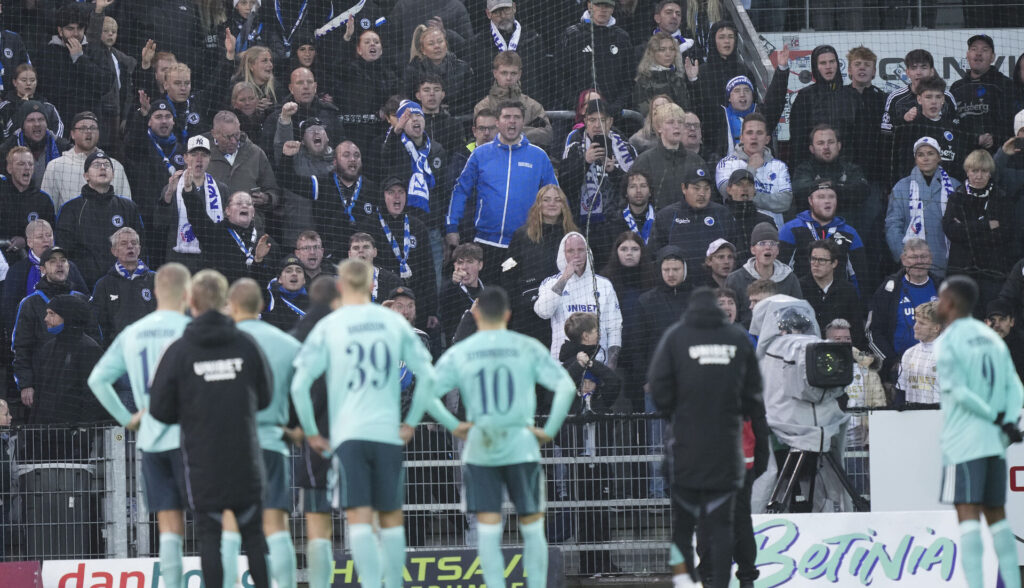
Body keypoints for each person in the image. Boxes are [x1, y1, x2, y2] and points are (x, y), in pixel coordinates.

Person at [410, 285, 575, 587]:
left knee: (487, 527)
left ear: (475, 313)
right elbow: (565, 387)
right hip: (521, 444)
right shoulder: (526, 346)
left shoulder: (462, 351)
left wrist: (453, 424)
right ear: (508, 314)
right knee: (531, 524)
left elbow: (427, 391)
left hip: (480, 446)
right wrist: (549, 430)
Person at [291, 259, 438, 588]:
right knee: (390, 519)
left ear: (341, 286)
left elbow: (299, 385)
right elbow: (428, 377)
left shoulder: (331, 325)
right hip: (387, 432)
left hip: (349, 435)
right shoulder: (393, 323)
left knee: (358, 518)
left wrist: (312, 433)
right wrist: (411, 422)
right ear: (373, 287)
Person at [148, 269, 271, 588]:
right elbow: (266, 396)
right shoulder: (246, 343)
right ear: (224, 301)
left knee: (209, 539)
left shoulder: (179, 351)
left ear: (191, 301)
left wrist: (192, 415)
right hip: (244, 455)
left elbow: (159, 409)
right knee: (255, 537)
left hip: (202, 460)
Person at [649, 287, 768, 588]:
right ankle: (746, 579)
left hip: (694, 446)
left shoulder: (677, 337)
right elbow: (756, 397)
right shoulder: (739, 339)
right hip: (736, 447)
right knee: (740, 517)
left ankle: (712, 579)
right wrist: (762, 449)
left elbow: (659, 392)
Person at [87, 263, 191, 588]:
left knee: (168, 522)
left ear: (156, 291)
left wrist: (127, 418)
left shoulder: (133, 332)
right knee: (210, 517)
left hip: (152, 438)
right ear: (187, 293)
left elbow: (98, 380)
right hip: (192, 438)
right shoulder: (193, 329)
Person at [934, 275, 1023, 588]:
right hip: (995, 444)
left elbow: (958, 391)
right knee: (998, 519)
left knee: (968, 518)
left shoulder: (948, 340)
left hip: (966, 440)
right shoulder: (993, 340)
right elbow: (1015, 386)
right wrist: (1010, 421)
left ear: (952, 303)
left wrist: (994, 417)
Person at [227, 278, 300, 588]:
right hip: (272, 442)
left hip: (228, 447)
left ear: (230, 306)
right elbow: (306, 392)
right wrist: (295, 428)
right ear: (261, 305)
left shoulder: (217, 343)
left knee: (229, 526)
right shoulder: (288, 344)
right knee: (276, 527)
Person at [446, 100, 558, 283]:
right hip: (486, 244)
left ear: (523, 122)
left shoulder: (538, 156)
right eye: (506, 117)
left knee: (517, 301)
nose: (511, 122)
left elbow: (555, 197)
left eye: (517, 117)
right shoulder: (480, 154)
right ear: (498, 122)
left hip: (524, 245)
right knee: (487, 302)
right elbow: (460, 191)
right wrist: (452, 227)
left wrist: (554, 233)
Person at [500, 185, 579, 345]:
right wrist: (515, 303)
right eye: (546, 199)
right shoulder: (521, 235)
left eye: (558, 200)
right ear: (538, 204)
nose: (552, 204)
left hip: (565, 306)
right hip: (529, 309)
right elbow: (507, 272)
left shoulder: (574, 236)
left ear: (564, 205)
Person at [54, 150, 142, 289]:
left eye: (107, 165)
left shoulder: (128, 207)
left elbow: (142, 246)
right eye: (96, 165)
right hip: (84, 287)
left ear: (113, 175)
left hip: (124, 284)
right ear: (86, 176)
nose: (102, 168)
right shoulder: (71, 209)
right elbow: (65, 251)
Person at [359, 176, 438, 328]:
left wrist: (432, 310)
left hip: (415, 300)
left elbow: (428, 270)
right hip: (384, 298)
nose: (397, 196)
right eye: (391, 192)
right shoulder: (369, 226)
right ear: (383, 196)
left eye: (401, 192)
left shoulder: (418, 226)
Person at [560, 99, 636, 254]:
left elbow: (636, 187)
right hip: (584, 224)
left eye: (602, 120)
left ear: (610, 122)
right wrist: (585, 162)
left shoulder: (626, 147)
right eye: (592, 120)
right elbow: (565, 185)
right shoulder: (574, 146)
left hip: (617, 224)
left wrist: (613, 171)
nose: (596, 125)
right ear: (585, 121)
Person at [534, 232, 622, 366]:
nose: (576, 255)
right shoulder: (551, 283)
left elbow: (614, 326)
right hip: (562, 364)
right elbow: (543, 312)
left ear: (588, 253)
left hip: (597, 363)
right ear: (563, 255)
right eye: (570, 251)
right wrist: (565, 278)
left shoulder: (604, 285)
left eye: (581, 250)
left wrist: (611, 364)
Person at [943, 149, 1016, 310]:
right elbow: (950, 230)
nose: (978, 176)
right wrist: (986, 225)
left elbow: (1005, 234)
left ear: (990, 173)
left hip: (991, 273)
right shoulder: (956, 197)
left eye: (984, 171)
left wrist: (965, 228)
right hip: (960, 271)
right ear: (967, 172)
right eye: (974, 170)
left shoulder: (1001, 198)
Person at [885, 137, 961, 278]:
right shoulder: (902, 187)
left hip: (948, 262)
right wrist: (903, 254)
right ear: (915, 159)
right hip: (914, 262)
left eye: (930, 153)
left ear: (939, 157)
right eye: (920, 154)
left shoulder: (955, 186)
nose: (925, 158)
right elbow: (893, 224)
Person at [867, 238, 941, 382]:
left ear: (931, 259)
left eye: (923, 257)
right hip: (900, 370)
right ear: (904, 260)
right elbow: (873, 331)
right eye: (913, 257)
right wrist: (892, 362)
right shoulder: (889, 290)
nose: (919, 261)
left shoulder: (943, 288)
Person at [35, 5, 115, 132]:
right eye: (70, 29)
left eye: (80, 28)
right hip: (57, 124)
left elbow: (105, 84)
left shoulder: (95, 50)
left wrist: (80, 59)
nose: (76, 34)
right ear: (60, 31)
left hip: (89, 124)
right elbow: (41, 90)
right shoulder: (46, 53)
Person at [29, 294, 106, 426]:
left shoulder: (90, 349)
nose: (46, 319)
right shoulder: (48, 348)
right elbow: (39, 396)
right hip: (44, 434)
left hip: (73, 436)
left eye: (52, 314)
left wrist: (81, 431)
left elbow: (93, 399)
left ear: (68, 316)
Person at [206, 111, 281, 236]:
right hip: (213, 231)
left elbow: (274, 191)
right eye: (227, 137)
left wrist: (267, 198)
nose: (234, 141)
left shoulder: (256, 153)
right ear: (214, 134)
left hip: (251, 230)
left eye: (237, 135)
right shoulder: (201, 156)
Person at [778, 182, 867, 285]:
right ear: (810, 201)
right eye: (821, 197)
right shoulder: (790, 229)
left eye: (831, 197)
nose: (827, 201)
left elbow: (860, 277)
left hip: (838, 298)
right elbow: (780, 272)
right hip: (801, 297)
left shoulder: (850, 233)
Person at [41, 112, 132, 210]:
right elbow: (47, 209)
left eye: (93, 128)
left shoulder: (115, 166)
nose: (88, 132)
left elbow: (127, 208)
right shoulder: (55, 166)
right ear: (72, 134)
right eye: (83, 128)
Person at [715, 113, 792, 226]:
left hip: (771, 234)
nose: (754, 137)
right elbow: (729, 194)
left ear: (767, 139)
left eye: (759, 133)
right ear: (741, 138)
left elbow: (785, 202)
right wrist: (751, 168)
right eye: (749, 132)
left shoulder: (779, 166)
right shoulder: (727, 163)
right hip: (738, 232)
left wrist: (748, 195)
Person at [381, 99, 448, 227]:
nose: (415, 119)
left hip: (431, 221)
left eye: (418, 115)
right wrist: (397, 131)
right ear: (402, 124)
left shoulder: (437, 150)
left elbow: (442, 188)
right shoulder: (395, 147)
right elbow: (386, 156)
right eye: (409, 117)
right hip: (403, 220)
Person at [560, 0, 633, 114]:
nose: (603, 9)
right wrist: (578, 105)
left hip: (613, 114)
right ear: (589, 5)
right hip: (577, 113)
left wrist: (615, 107)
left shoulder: (622, 37)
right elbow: (561, 77)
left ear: (613, 9)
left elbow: (628, 79)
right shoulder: (572, 35)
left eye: (607, 5)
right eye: (598, 4)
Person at [466, 0, 546, 102]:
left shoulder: (533, 38)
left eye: (506, 10)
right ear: (488, 13)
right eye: (497, 12)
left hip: (528, 109)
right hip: (491, 111)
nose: (503, 16)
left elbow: (544, 77)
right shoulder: (476, 43)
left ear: (514, 8)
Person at [790, 125, 871, 225]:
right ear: (812, 149)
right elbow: (799, 192)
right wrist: (838, 190)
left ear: (839, 145)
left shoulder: (852, 169)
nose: (826, 147)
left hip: (847, 228)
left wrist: (830, 186)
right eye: (820, 143)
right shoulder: (803, 169)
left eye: (831, 142)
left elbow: (862, 191)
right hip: (812, 231)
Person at [787, 45, 857, 159]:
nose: (828, 67)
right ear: (816, 66)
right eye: (823, 63)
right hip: (813, 166)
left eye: (832, 62)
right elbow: (798, 139)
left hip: (847, 165)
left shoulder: (851, 96)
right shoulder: (805, 97)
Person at [724, 222, 802, 325]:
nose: (768, 247)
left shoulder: (790, 278)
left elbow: (798, 314)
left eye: (773, 243)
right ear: (753, 250)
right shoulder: (735, 279)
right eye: (762, 243)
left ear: (777, 250)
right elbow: (730, 318)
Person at [631, 102, 705, 209]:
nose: (676, 126)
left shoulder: (696, 161)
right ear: (659, 127)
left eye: (680, 122)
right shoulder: (644, 161)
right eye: (670, 122)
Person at [473, 51, 552, 150]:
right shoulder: (483, 106)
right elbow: (483, 136)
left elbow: (548, 135)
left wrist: (509, 130)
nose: (509, 78)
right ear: (495, 73)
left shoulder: (533, 106)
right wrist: (524, 130)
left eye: (513, 73)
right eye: (504, 73)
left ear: (519, 74)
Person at [90, 227, 155, 344]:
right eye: (124, 243)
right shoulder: (104, 284)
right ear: (114, 251)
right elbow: (97, 322)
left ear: (139, 249)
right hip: (118, 348)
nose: (130, 246)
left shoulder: (156, 280)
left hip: (151, 346)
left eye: (134, 243)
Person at [950, 35, 1014, 152]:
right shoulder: (956, 87)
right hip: (963, 156)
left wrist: (994, 138)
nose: (978, 53)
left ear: (993, 57)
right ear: (967, 55)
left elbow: (1012, 121)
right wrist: (974, 139)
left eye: (984, 50)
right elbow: (950, 123)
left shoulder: (1006, 85)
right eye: (974, 49)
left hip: (997, 155)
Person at [262, 67, 345, 155]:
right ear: (291, 88)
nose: (306, 86)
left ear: (315, 87)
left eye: (309, 82)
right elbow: (268, 154)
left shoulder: (330, 113)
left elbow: (340, 147)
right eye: (300, 83)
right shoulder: (276, 117)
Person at [800, 240, 865, 347]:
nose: (816, 264)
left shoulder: (848, 290)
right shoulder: (799, 288)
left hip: (839, 352)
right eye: (813, 259)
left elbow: (857, 331)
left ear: (834, 263)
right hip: (807, 350)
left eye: (821, 260)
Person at [401, 24, 473, 115]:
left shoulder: (462, 68)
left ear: (446, 45)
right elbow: (409, 100)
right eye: (431, 44)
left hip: (457, 117)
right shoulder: (413, 71)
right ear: (423, 50)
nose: (437, 46)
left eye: (440, 42)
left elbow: (469, 101)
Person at [842, 46, 888, 186]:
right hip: (844, 171)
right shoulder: (839, 97)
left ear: (874, 72)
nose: (862, 68)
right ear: (849, 70)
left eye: (867, 65)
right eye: (857, 64)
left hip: (875, 173)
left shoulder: (883, 99)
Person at [0, 101, 72, 186]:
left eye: (41, 119)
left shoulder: (64, 148)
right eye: (31, 120)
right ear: (22, 125)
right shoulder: (6, 150)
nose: (37, 124)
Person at [0, 147, 56, 253]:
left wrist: (25, 241)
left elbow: (49, 236)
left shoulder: (43, 200)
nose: (27, 168)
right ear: (9, 168)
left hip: (30, 261)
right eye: (21, 164)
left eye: (30, 164)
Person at [634, 33, 692, 118]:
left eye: (672, 49)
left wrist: (692, 79)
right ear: (652, 53)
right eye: (662, 49)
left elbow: (688, 109)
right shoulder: (643, 82)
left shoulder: (678, 78)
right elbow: (645, 114)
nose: (668, 54)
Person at [895, 300, 941, 406]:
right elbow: (901, 392)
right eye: (916, 321)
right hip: (912, 418)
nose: (915, 327)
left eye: (922, 323)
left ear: (936, 328)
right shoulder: (909, 353)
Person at [440, 243, 484, 344]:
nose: (464, 267)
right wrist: (453, 284)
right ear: (454, 266)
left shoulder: (488, 292)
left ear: (480, 265)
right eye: (460, 262)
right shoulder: (449, 291)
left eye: (470, 261)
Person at [262, 255, 309, 331]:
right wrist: (258, 260)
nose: (294, 274)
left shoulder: (314, 303)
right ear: (279, 279)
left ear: (304, 280)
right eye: (288, 271)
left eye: (299, 271)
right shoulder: (270, 298)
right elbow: (255, 285)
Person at [986, 298, 1024, 382]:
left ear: (1012, 322)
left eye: (1002, 319)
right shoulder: (979, 346)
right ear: (986, 323)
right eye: (992, 320)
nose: (997, 325)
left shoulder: (1021, 347)